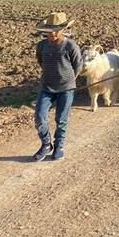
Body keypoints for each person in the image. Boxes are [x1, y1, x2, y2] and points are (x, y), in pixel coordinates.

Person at [33, 12, 83, 162]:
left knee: (61, 119)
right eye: (49, 31)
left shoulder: (70, 45)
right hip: (46, 86)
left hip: (66, 88)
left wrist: (68, 80)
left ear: (63, 29)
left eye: (56, 30)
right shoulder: (41, 45)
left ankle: (59, 146)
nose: (52, 34)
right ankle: (46, 144)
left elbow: (78, 65)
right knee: (39, 117)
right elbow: (41, 61)